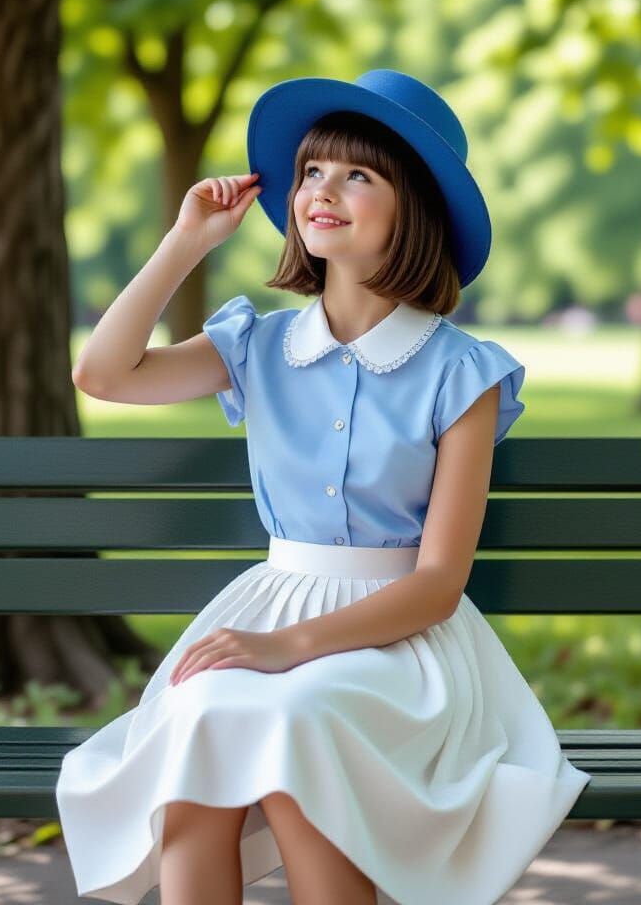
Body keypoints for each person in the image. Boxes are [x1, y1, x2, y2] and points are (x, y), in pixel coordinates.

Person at [55, 69, 592, 905]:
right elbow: (103, 372)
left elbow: (438, 586)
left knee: (303, 719)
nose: (321, 191)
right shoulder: (258, 345)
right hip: (267, 609)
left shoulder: (462, 373)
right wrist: (188, 240)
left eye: (357, 175)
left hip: (401, 645)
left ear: (413, 208)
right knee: (201, 714)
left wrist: (287, 651)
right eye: (310, 172)